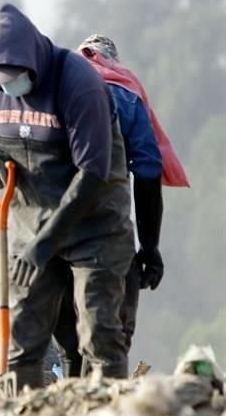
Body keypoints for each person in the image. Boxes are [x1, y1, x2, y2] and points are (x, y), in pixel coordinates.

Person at [0, 3, 134, 389]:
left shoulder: (78, 84)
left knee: (100, 335)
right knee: (24, 340)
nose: (6, 87)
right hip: (28, 226)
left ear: (33, 61)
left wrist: (46, 244)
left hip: (93, 226)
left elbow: (94, 174)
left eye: (13, 78)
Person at [48, 34, 190, 377]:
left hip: (50, 224)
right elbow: (147, 171)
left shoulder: (49, 92)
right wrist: (150, 248)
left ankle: (70, 392)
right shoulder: (126, 94)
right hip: (106, 228)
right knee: (111, 331)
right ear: (113, 62)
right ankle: (100, 402)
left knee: (66, 334)